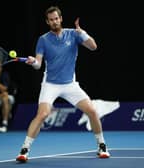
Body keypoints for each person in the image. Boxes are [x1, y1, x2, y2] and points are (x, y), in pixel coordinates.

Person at [16, 6, 110, 162]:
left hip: (70, 85)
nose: (54, 21)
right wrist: (33, 62)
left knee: (92, 111)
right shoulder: (43, 39)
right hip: (50, 84)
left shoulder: (73, 34)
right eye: (51, 20)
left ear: (61, 19)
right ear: (47, 22)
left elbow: (93, 47)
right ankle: (24, 150)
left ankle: (102, 145)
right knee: (42, 114)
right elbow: (39, 64)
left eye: (56, 18)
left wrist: (82, 33)